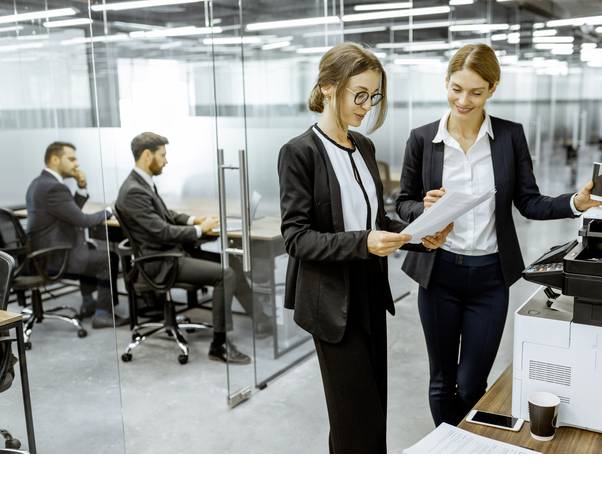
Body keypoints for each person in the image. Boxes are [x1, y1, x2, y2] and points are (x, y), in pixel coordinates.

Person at [396, 44, 602, 427]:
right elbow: (403, 203)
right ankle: (450, 453)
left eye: (476, 92)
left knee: (471, 384)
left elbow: (529, 202)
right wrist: (423, 208)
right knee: (441, 381)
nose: (463, 100)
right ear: (445, 83)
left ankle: (460, 442)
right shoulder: (422, 139)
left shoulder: (510, 137)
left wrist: (577, 202)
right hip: (439, 275)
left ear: (493, 88)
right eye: (456, 88)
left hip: (489, 280)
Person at [278, 42, 452, 453]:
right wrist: (363, 242)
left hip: (371, 294)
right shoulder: (300, 153)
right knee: (353, 418)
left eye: (374, 97)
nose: (367, 106)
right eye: (360, 95)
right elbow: (297, 238)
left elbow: (377, 223)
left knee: (374, 411)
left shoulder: (364, 148)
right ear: (327, 88)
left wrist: (420, 235)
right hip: (332, 303)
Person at [115, 132, 268, 364]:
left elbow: (167, 216)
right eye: (162, 155)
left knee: (231, 261)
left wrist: (194, 220)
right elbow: (161, 231)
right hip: (160, 261)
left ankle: (261, 320)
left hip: (169, 253)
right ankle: (219, 345)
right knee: (225, 275)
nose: (166, 160)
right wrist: (199, 230)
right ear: (147, 155)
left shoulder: (141, 183)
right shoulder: (133, 191)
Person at [26, 142, 127, 329]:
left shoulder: (39, 184)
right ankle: (103, 314)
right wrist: (108, 211)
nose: (76, 164)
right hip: (56, 257)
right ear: (55, 159)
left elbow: (70, 213)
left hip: (44, 255)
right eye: (71, 159)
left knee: (87, 249)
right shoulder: (53, 188)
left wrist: (81, 187)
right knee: (108, 258)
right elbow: (81, 220)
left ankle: (89, 304)